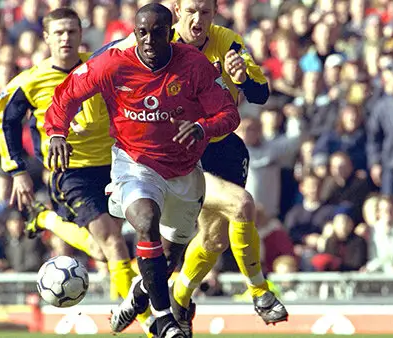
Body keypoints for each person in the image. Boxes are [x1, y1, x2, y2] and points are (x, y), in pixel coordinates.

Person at [43, 4, 240, 338]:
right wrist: (57, 133)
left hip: (183, 170)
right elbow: (67, 95)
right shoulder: (113, 62)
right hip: (133, 162)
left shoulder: (194, 66)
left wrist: (203, 127)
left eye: (157, 32)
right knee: (145, 220)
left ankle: (139, 292)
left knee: (168, 258)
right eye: (141, 32)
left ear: (170, 30)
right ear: (134, 32)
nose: (149, 40)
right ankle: (163, 320)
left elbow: (228, 113)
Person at [104, 0, 288, 335]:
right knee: (242, 205)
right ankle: (260, 293)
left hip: (223, 150)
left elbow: (261, 94)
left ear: (215, 12)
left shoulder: (229, 43)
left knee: (214, 240)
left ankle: (170, 296)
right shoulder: (158, 41)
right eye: (190, 10)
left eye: (205, 11)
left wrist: (243, 77)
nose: (197, 19)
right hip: (179, 155)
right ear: (176, 10)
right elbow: (109, 61)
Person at [0, 8, 154, 335]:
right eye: (59, 32)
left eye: (72, 32)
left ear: (82, 35)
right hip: (70, 173)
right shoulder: (29, 82)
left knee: (102, 249)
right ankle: (151, 322)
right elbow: (5, 122)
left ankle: (45, 219)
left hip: (114, 165)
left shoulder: (100, 66)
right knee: (112, 243)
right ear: (47, 37)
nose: (66, 38)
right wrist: (17, 171)